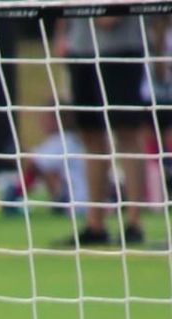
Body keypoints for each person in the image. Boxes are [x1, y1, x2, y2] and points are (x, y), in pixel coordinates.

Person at [54, 11, 155, 246]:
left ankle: (134, 222)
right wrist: (62, 31)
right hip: (81, 48)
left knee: (127, 131)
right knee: (90, 135)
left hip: (120, 47)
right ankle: (95, 224)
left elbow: (109, 19)